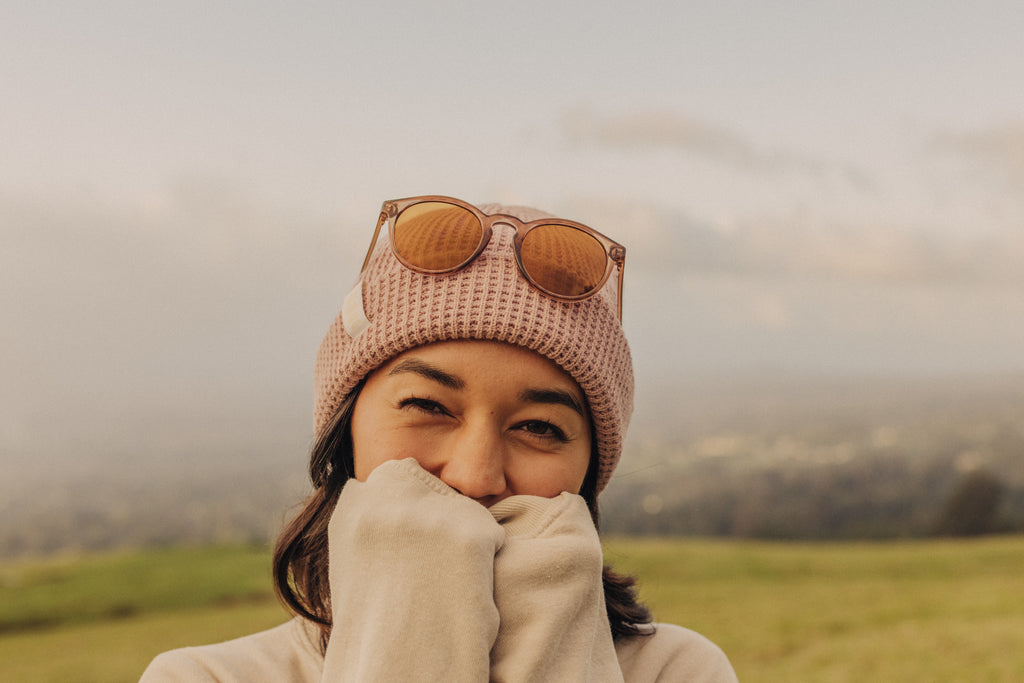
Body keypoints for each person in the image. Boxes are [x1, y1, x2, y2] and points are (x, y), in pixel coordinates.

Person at [140, 195, 737, 681]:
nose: (474, 477)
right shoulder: (203, 678)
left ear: (588, 471)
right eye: (427, 405)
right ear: (343, 433)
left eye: (538, 427)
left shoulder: (676, 671)